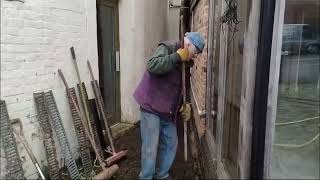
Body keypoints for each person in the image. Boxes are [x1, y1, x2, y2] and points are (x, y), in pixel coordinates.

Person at [133, 32, 205, 179]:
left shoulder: (186, 62)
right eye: (196, 52)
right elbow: (152, 65)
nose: (196, 56)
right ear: (188, 45)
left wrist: (185, 105)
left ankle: (162, 174)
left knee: (171, 142)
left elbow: (181, 86)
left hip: (167, 109)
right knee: (150, 147)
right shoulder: (168, 48)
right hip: (151, 105)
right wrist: (176, 57)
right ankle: (146, 177)